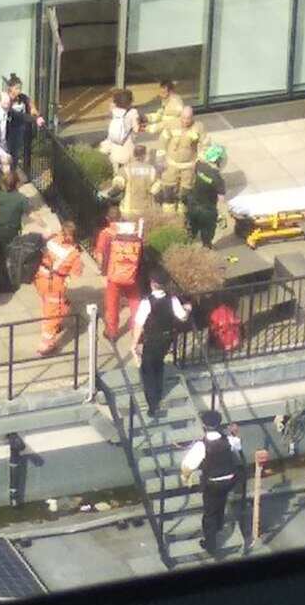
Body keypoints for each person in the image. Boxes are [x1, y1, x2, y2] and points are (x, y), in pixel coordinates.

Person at [180, 410, 243, 555]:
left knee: (209, 514)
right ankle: (219, 526)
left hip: (212, 483)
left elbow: (187, 465)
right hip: (230, 480)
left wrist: (186, 477)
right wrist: (234, 434)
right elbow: (237, 447)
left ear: (204, 425)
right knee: (221, 502)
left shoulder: (201, 446)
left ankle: (210, 545)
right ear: (219, 424)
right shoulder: (230, 440)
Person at [131, 270, 192, 414]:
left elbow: (139, 323)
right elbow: (183, 317)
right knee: (158, 364)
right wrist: (188, 309)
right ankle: (158, 393)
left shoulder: (147, 302)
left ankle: (153, 405)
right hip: (166, 338)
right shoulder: (173, 299)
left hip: (152, 339)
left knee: (147, 370)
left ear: (153, 284)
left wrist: (134, 343)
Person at [34, 221, 83, 355]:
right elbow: (76, 273)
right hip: (54, 285)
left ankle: (57, 321)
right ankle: (46, 345)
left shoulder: (52, 239)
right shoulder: (74, 253)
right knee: (53, 313)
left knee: (51, 304)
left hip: (39, 278)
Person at [94, 206, 142, 341]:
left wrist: (101, 269)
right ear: (120, 217)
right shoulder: (132, 231)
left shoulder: (105, 233)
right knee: (135, 302)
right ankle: (137, 330)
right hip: (132, 274)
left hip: (114, 275)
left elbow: (100, 254)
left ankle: (112, 332)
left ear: (107, 219)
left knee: (112, 304)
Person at [157, 105, 209, 213]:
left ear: (192, 117)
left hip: (188, 165)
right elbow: (162, 141)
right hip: (171, 164)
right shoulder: (172, 125)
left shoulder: (199, 127)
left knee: (186, 189)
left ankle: (182, 212)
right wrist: (160, 158)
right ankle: (168, 211)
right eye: (183, 118)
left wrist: (202, 157)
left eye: (188, 118)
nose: (185, 121)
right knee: (168, 188)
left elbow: (205, 143)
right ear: (180, 116)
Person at [0, 171, 30, 294]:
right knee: (6, 257)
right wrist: (44, 225)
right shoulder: (21, 198)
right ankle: (3, 285)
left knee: (2, 254)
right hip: (10, 232)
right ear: (17, 184)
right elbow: (31, 213)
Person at [185, 144, 228, 249]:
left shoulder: (199, 165)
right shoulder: (218, 179)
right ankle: (206, 247)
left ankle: (188, 246)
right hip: (207, 209)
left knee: (192, 227)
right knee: (207, 230)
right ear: (218, 160)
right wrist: (223, 215)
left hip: (193, 203)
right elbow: (221, 200)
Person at [105, 142, 158, 220]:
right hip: (146, 209)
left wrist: (108, 196)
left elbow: (117, 188)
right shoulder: (151, 170)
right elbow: (155, 190)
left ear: (133, 155)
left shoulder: (125, 169)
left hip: (128, 210)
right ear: (145, 155)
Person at [5, 73, 44, 173]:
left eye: (20, 88)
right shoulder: (6, 100)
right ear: (11, 88)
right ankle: (11, 174)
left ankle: (26, 172)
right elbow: (18, 115)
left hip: (23, 129)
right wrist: (34, 119)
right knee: (12, 153)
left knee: (26, 151)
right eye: (17, 88)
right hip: (11, 131)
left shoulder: (22, 97)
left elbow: (29, 102)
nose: (19, 90)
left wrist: (34, 110)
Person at [98, 90, 139, 173]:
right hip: (127, 149)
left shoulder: (113, 110)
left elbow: (109, 120)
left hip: (114, 149)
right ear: (130, 101)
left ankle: (116, 178)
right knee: (128, 172)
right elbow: (136, 129)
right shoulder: (133, 112)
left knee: (116, 172)